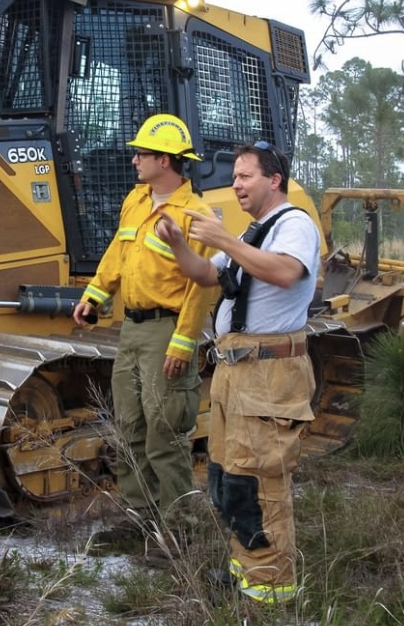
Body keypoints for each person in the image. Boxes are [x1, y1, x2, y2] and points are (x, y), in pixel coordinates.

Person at [154, 142, 321, 605]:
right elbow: (208, 276)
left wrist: (224, 238)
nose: (236, 184)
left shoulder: (293, 226)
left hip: (269, 372)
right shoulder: (252, 233)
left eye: (245, 176)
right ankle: (242, 569)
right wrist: (179, 243)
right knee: (228, 476)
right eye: (235, 177)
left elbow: (287, 273)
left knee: (260, 481)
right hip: (235, 371)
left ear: (274, 181)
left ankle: (271, 591)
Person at [73, 113, 217, 525]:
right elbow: (117, 257)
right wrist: (94, 296)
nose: (135, 159)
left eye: (142, 154)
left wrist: (183, 341)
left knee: (164, 433)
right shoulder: (135, 202)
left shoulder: (196, 215)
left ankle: (178, 527)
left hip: (165, 331)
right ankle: (140, 519)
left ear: (166, 161)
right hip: (131, 330)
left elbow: (200, 288)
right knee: (130, 427)